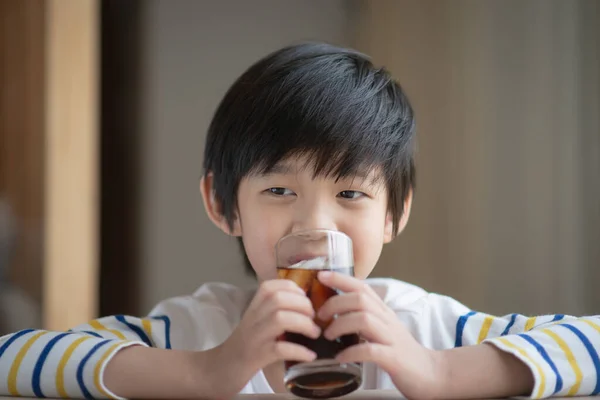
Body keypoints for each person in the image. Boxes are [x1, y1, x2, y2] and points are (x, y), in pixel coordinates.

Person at [0, 43, 598, 400]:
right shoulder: (194, 330)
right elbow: (11, 359)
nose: (316, 225)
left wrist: (440, 370)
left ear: (395, 213)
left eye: (351, 193)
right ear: (221, 204)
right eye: (280, 189)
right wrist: (203, 371)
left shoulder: (424, 326)